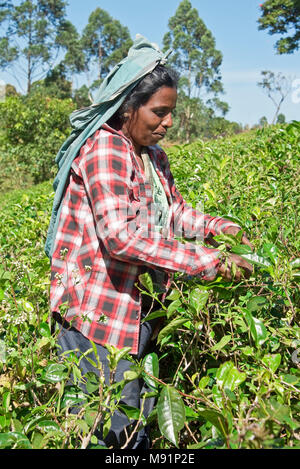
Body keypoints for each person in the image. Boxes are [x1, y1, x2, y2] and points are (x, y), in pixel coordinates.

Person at [47, 36, 253, 449]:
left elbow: (171, 212)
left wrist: (219, 227)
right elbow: (122, 238)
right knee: (110, 430)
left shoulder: (152, 156)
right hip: (96, 316)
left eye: (171, 113)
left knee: (134, 421)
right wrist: (208, 261)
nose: (168, 123)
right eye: (159, 112)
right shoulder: (105, 148)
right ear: (128, 108)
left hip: (138, 310)